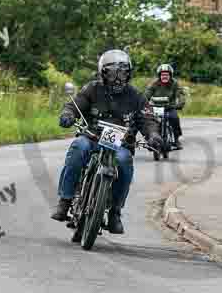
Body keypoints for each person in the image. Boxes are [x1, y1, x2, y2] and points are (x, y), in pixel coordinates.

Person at [51, 49, 162, 234]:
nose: (118, 78)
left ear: (129, 73)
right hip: (92, 136)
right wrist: (68, 114)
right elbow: (76, 103)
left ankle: (115, 212)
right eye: (113, 73)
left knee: (125, 161)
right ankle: (65, 200)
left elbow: (147, 119)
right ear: (103, 72)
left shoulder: (136, 96)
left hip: (120, 144)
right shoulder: (92, 88)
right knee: (78, 147)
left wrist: (154, 135)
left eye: (123, 73)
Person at [144, 64, 185, 148]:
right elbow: (146, 96)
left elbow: (181, 95)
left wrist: (180, 104)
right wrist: (143, 104)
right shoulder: (154, 84)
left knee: (174, 118)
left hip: (169, 108)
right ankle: (150, 139)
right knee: (149, 121)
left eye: (167, 75)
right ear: (159, 76)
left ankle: (176, 140)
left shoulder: (175, 84)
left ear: (170, 75)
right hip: (156, 108)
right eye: (163, 75)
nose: (165, 76)